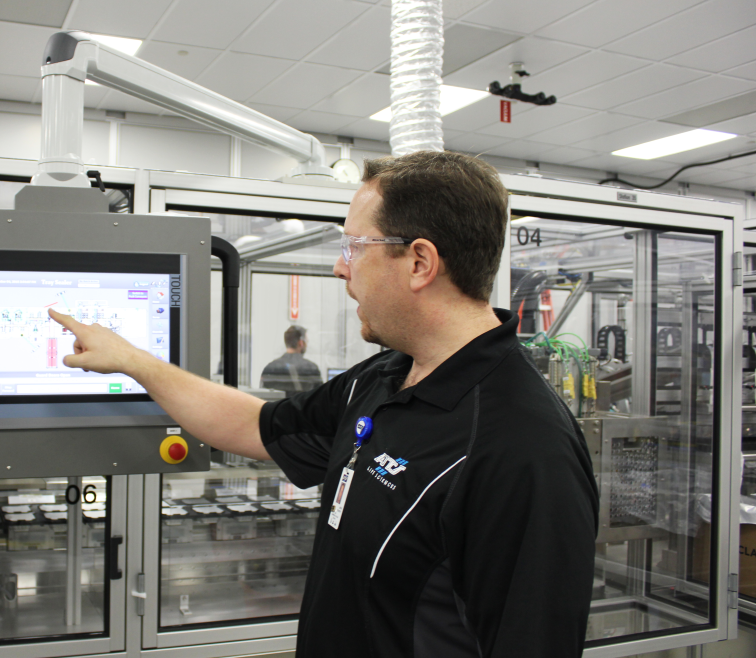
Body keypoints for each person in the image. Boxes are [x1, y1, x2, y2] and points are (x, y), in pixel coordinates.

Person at [47, 151, 599, 657]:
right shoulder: (382, 379)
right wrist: (133, 361)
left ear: (419, 263)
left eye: (354, 247)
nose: (341, 267)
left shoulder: (522, 449)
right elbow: (252, 424)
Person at [259, 325, 323, 395]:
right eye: (306, 342)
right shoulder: (311, 368)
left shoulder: (270, 368)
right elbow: (320, 398)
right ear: (301, 343)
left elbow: (263, 397)